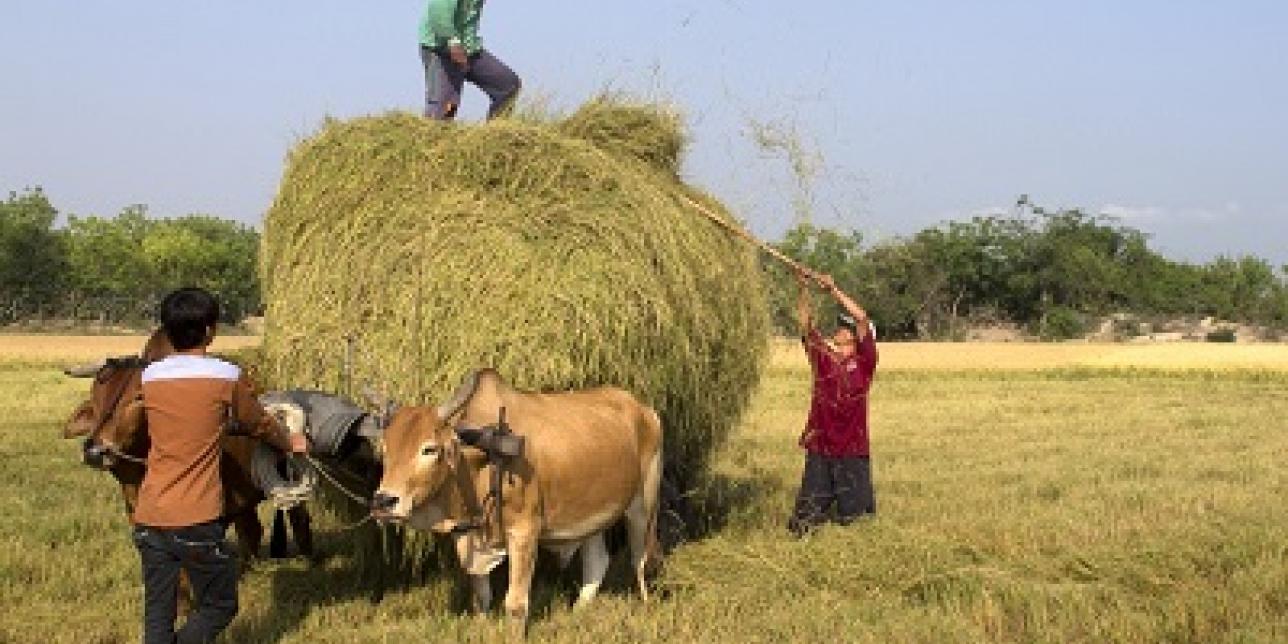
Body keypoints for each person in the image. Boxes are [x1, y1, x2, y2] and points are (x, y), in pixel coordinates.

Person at [132, 288, 307, 643]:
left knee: (158, 612)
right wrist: (291, 443)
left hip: (149, 514)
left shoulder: (148, 378)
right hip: (195, 517)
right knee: (219, 606)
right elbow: (259, 423)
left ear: (167, 331)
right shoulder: (225, 375)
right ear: (211, 331)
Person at [787, 272, 879, 537]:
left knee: (858, 523)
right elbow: (805, 326)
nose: (838, 344)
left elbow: (862, 318)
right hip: (822, 448)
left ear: (856, 344)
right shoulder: (823, 360)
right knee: (805, 522)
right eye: (835, 341)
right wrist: (802, 287)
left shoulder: (864, 364)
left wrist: (833, 290)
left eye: (844, 341)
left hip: (852, 449)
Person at [419, 0, 521, 120]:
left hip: (469, 48)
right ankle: (434, 134)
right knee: (446, 106)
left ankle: (496, 132)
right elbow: (438, 13)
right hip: (441, 49)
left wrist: (465, 48)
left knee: (507, 84)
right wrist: (453, 43)